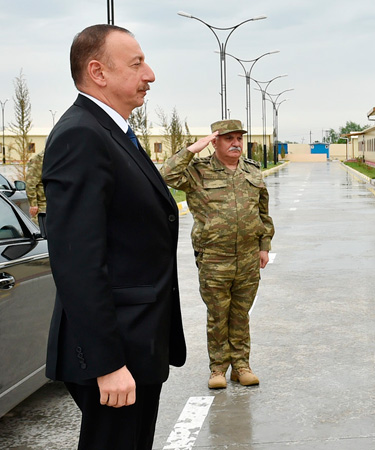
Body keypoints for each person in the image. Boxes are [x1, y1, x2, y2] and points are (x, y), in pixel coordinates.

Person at [42, 24, 186, 450]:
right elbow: (77, 261)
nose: (150, 75)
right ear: (98, 72)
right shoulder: (81, 136)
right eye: (137, 64)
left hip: (138, 344)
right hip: (115, 353)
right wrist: (107, 364)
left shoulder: (112, 132)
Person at [161, 119, 274, 389]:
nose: (235, 143)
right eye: (228, 138)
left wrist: (264, 245)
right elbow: (165, 175)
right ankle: (218, 369)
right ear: (215, 141)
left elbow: (263, 212)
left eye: (238, 138)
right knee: (217, 315)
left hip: (247, 257)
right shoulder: (198, 172)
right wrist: (192, 149)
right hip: (214, 257)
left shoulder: (252, 171)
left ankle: (242, 366)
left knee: (241, 314)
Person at [25, 149, 46, 225]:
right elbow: (30, 182)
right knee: (42, 231)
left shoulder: (62, 156)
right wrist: (33, 204)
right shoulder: (40, 158)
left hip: (59, 203)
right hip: (43, 205)